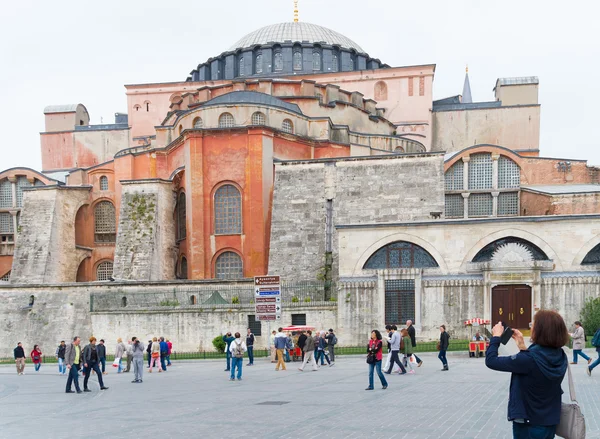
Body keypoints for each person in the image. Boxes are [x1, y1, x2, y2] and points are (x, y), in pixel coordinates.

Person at [486, 310, 569, 438]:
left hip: (529, 423)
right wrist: (522, 347)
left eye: (533, 326)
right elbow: (537, 366)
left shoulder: (528, 360)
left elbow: (491, 361)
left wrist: (496, 337)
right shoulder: (561, 355)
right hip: (549, 421)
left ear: (540, 331)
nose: (531, 328)